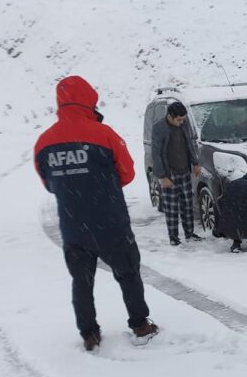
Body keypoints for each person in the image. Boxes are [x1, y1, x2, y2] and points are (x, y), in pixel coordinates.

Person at [33, 76, 158, 351]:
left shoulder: (44, 142)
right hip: (110, 223)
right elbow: (127, 173)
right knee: (128, 274)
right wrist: (100, 184)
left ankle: (89, 334)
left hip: (73, 226)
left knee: (81, 281)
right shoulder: (105, 134)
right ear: (89, 99)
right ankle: (140, 324)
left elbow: (49, 183)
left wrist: (72, 185)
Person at [151, 101, 203, 246]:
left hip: (184, 170)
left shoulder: (184, 124)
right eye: (179, 120)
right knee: (172, 208)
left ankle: (189, 233)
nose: (182, 122)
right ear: (170, 116)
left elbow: (190, 144)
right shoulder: (159, 128)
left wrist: (196, 163)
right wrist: (162, 176)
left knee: (187, 205)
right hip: (169, 174)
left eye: (183, 119)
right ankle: (174, 238)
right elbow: (156, 154)